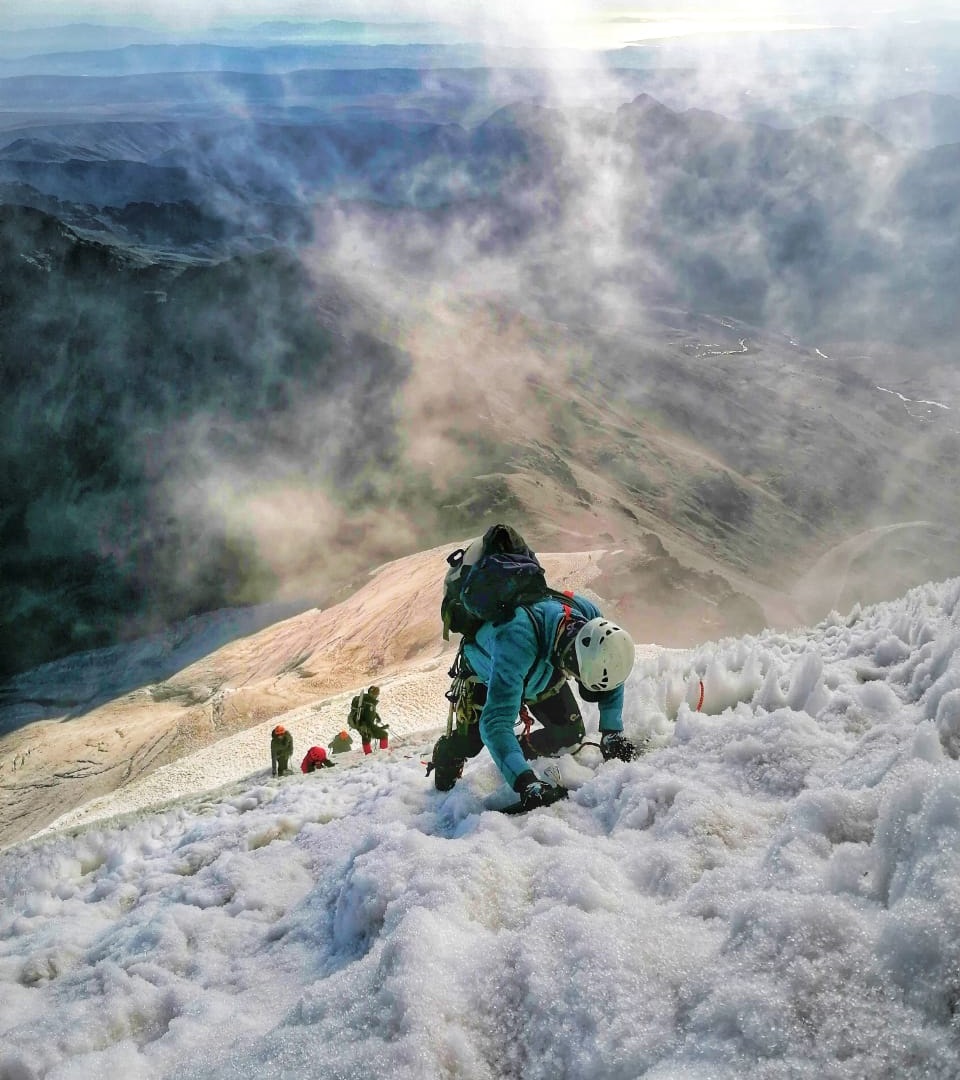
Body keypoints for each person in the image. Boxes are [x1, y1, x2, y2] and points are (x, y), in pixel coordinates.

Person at [430, 589, 638, 810]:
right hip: (488, 678)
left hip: (541, 672)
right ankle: (448, 755)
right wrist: (526, 784)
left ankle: (514, 755)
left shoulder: (590, 620)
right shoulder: (516, 642)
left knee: (569, 733)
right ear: (572, 663)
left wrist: (612, 732)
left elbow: (612, 665)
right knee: (469, 745)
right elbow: (494, 724)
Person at [348, 685, 390, 754]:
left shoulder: (364, 701)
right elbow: (369, 722)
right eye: (376, 693)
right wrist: (381, 728)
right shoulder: (370, 704)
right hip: (365, 726)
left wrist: (377, 716)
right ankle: (384, 753)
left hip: (359, 724)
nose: (377, 695)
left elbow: (368, 713)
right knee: (383, 735)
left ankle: (368, 754)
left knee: (366, 738)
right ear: (372, 694)